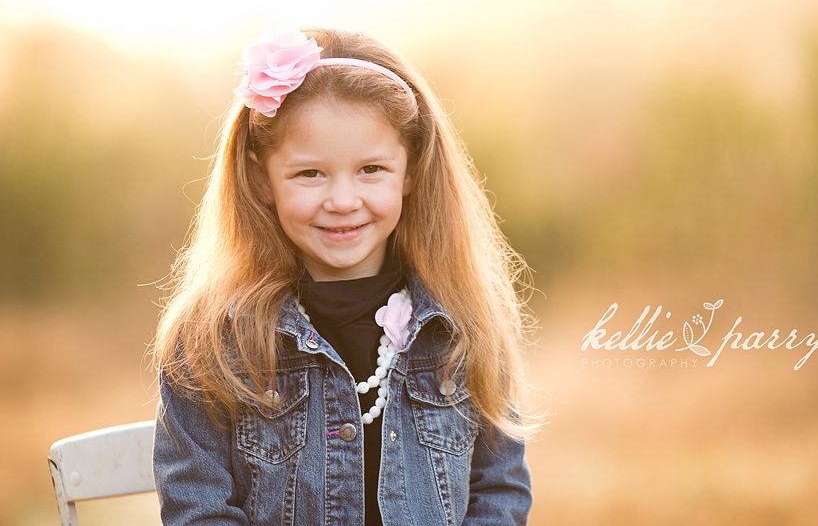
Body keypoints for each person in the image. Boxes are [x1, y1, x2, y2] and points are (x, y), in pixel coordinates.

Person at [151, 26, 541, 525]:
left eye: (371, 169)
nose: (342, 201)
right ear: (259, 177)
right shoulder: (211, 340)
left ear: (411, 171)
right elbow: (198, 510)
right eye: (310, 173)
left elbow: (499, 492)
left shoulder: (461, 325)